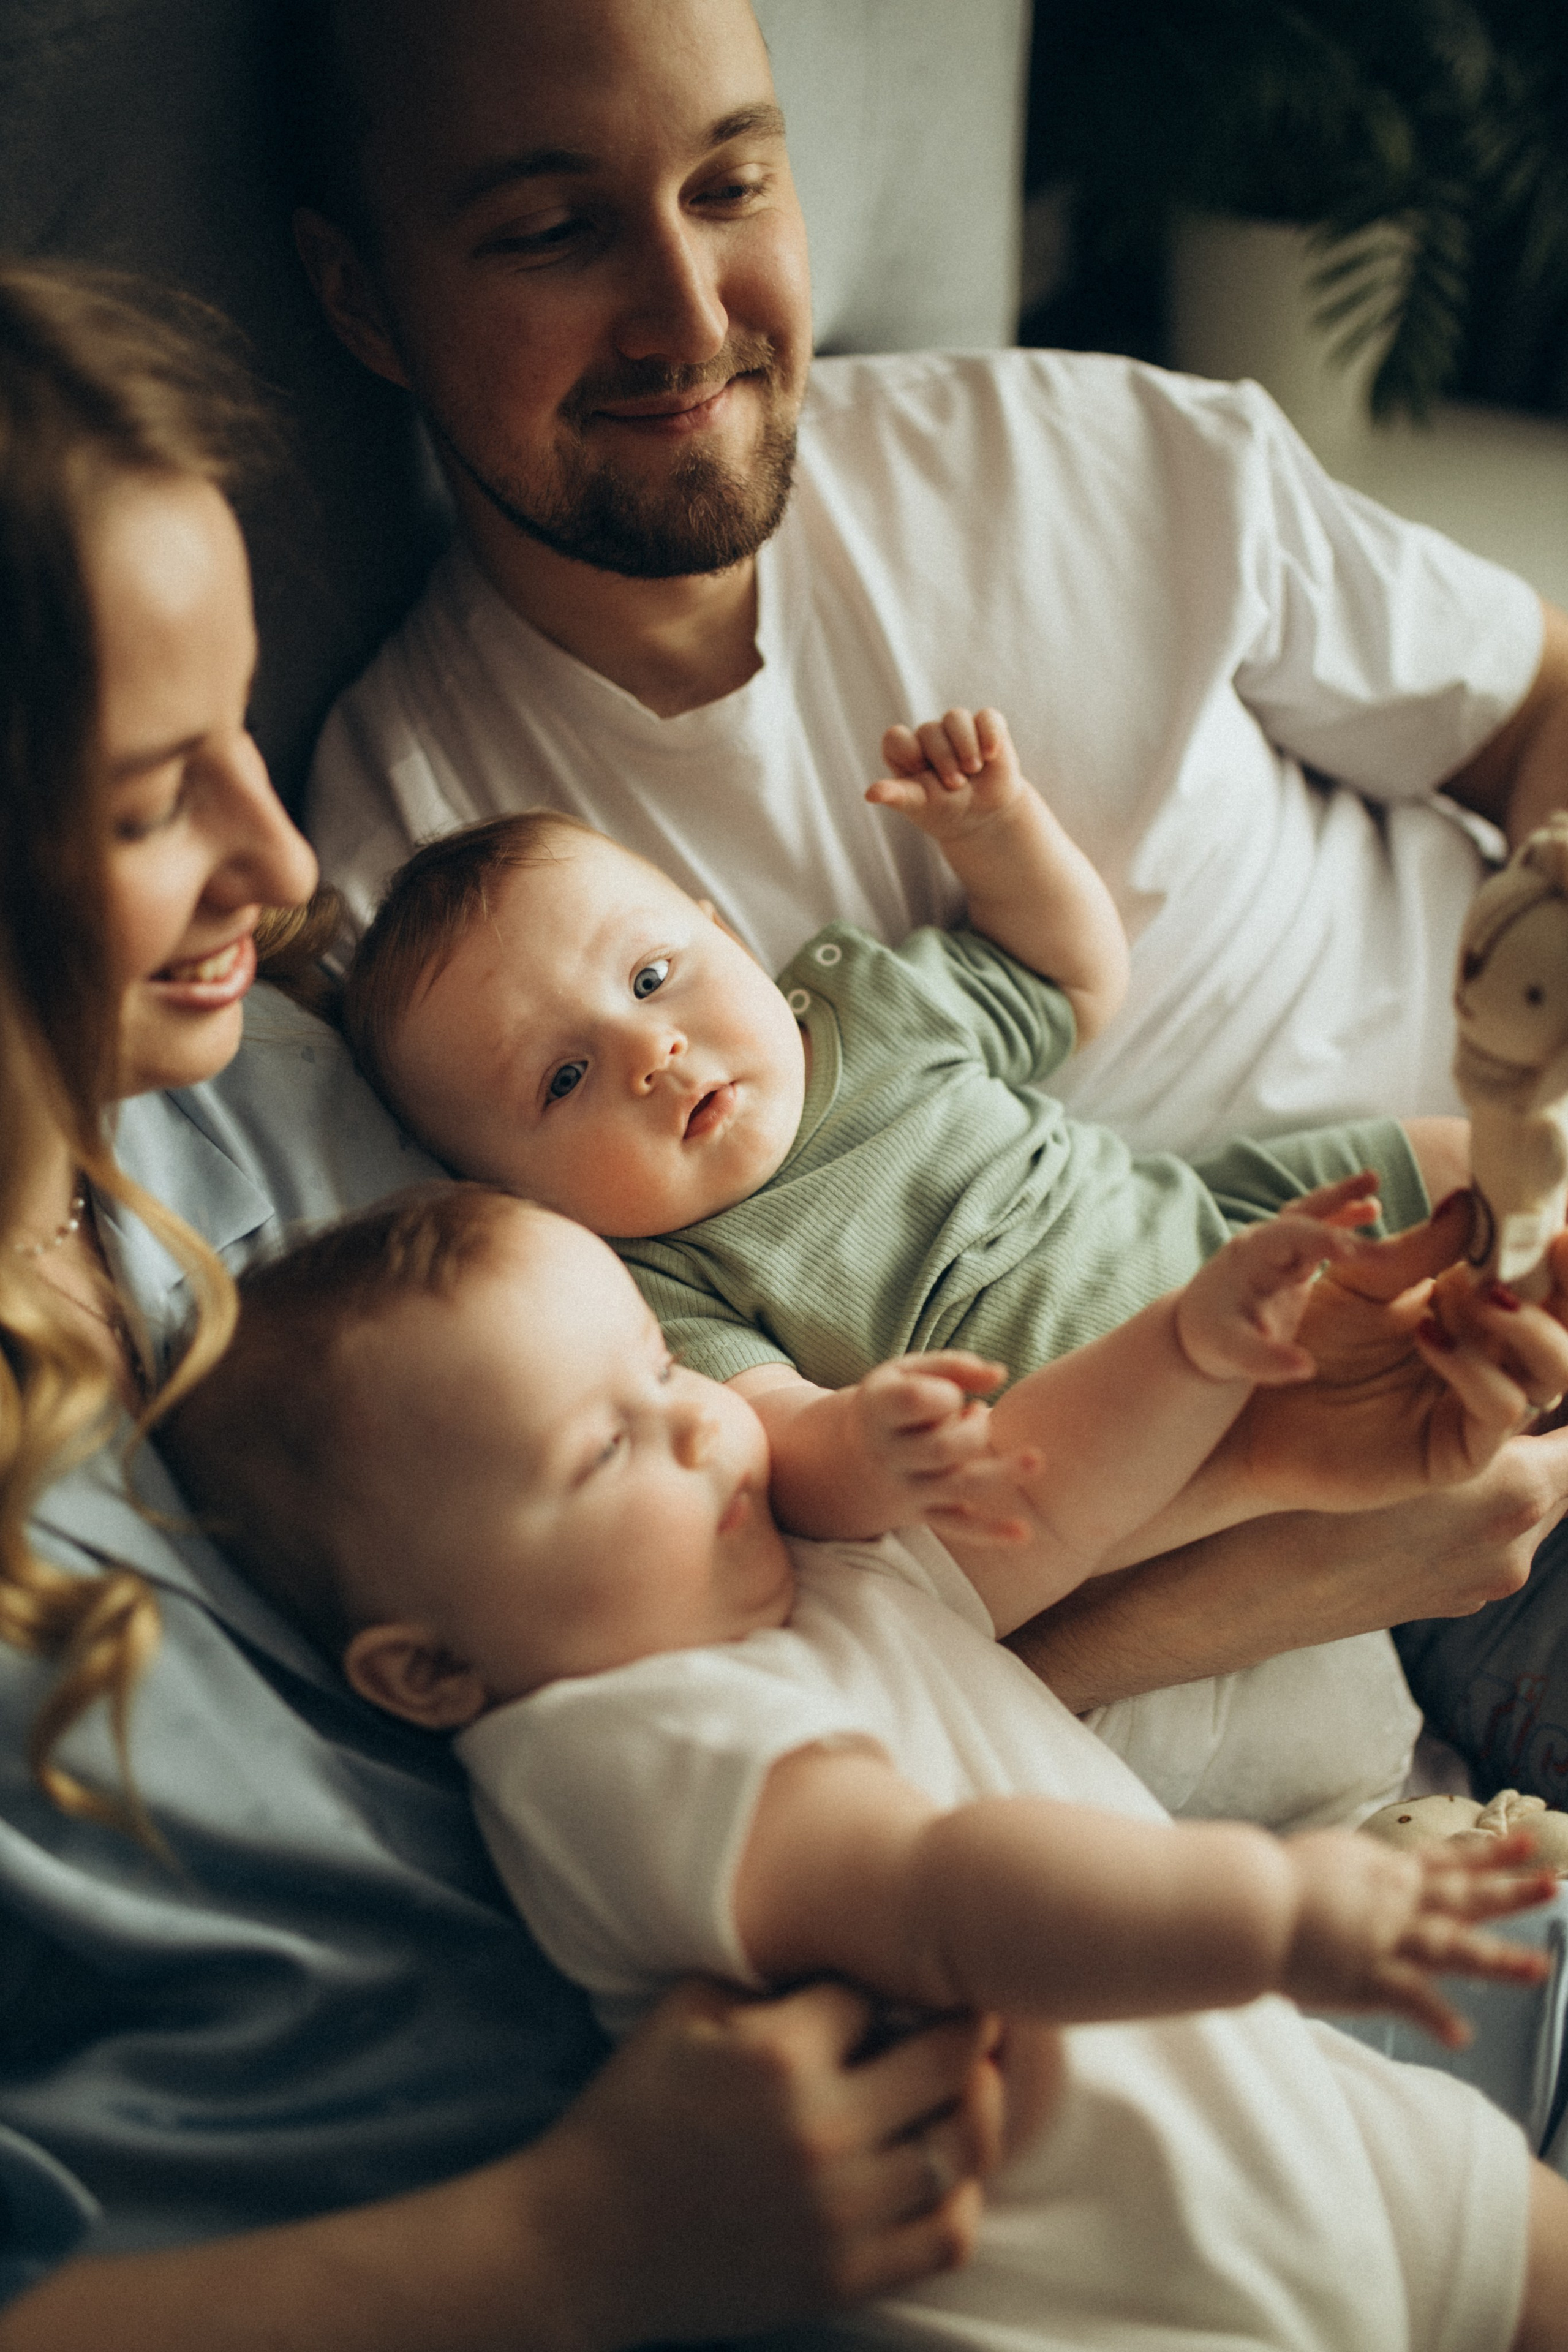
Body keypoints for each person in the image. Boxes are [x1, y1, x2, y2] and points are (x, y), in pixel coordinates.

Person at [292, 0, 1568, 1803]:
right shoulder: (384, 915)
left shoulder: (1096, 448)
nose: (685, 313)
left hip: (1495, 1177)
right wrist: (1298, 1539)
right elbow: (740, 1606)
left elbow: (1532, 706)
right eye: (553, 230)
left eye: (731, 183)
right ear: (360, 298)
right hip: (1292, 1546)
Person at [0, 258, 1009, 2345]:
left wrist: (1260, 1468)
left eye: (245, 742)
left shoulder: (256, 1094)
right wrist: (567, 2249)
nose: (282, 869)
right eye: (141, 800)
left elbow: (723, 1537)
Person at [158, 1182, 1568, 2352]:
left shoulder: (807, 1576)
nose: (700, 1423)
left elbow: (1044, 1483)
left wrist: (1196, 1346)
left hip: (1322, 2137)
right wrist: (1271, 1915)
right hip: (1135, 2297)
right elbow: (931, 1892)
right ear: (430, 1669)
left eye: (658, 1365)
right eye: (604, 1449)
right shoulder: (600, 1749)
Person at [341, 719, 1556, 1559]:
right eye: (562, 1077)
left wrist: (994, 833)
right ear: (511, 1196)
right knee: (1455, 1449)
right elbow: (778, 1433)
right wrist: (861, 1447)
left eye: (655, 973)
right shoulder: (654, 1282)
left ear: (719, 927)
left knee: (1448, 1161)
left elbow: (1070, 979)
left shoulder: (866, 1010)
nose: (649, 1050)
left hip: (1210, 1227)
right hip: (1138, 1454)